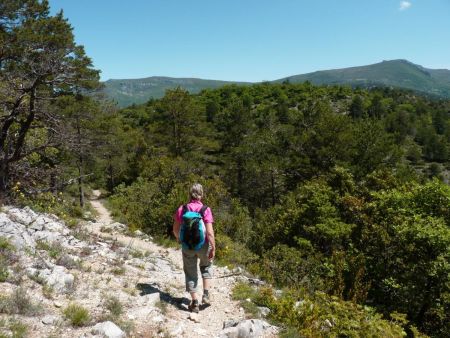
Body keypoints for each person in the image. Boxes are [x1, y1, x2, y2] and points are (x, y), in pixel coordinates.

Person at [173, 183, 215, 313]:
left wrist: (180, 239)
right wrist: (213, 247)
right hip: (203, 245)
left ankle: (194, 301)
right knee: (206, 266)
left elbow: (175, 229)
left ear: (189, 194)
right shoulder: (206, 209)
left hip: (187, 246)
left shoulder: (182, 209)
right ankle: (206, 294)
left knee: (190, 272)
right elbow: (209, 233)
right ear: (201, 194)